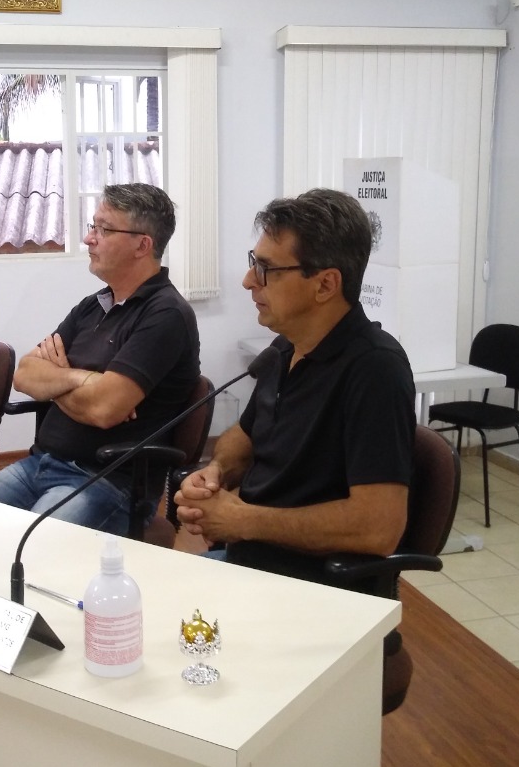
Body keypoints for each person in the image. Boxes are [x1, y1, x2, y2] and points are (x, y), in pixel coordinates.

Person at [175, 189, 415, 582]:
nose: (248, 281)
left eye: (266, 269)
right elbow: (243, 437)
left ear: (325, 284)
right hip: (253, 563)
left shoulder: (375, 370)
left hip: (315, 586)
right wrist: (216, 471)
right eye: (253, 262)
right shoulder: (284, 348)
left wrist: (244, 521)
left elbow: (378, 527)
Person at [0, 183, 200, 534]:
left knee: (31, 545)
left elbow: (104, 409)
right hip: (40, 464)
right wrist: (82, 379)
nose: (89, 238)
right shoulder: (93, 306)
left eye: (104, 229)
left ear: (142, 245)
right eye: (94, 226)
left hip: (108, 482)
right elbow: (25, 374)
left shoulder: (166, 315)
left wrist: (59, 380)